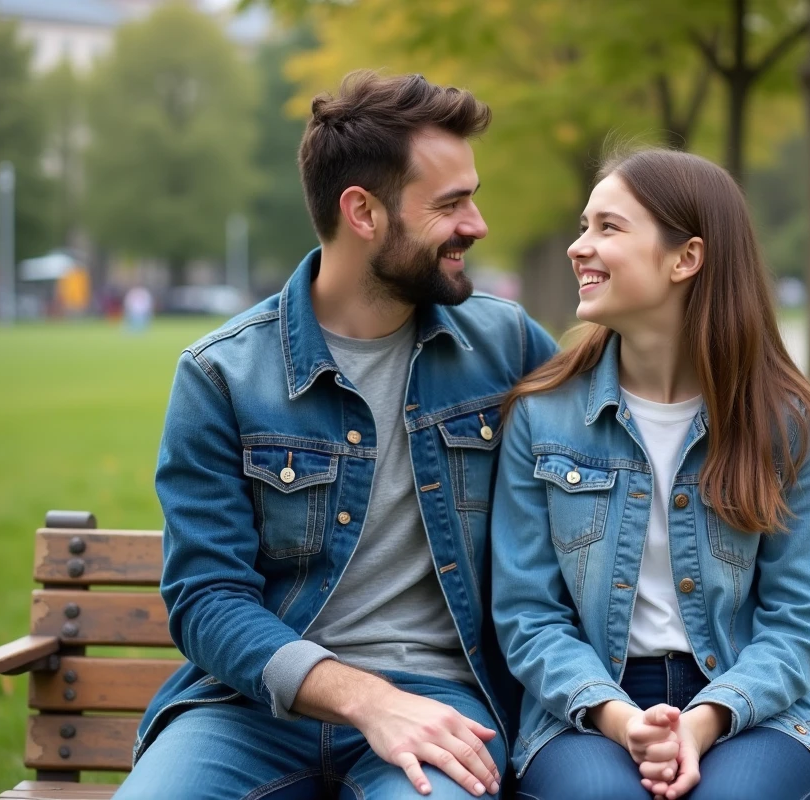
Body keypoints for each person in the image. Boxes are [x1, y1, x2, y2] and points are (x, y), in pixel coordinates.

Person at [117, 71, 557, 800]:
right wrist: (365, 700)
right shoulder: (223, 374)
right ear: (363, 212)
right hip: (250, 709)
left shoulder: (506, 346)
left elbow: (621, 441)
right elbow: (207, 598)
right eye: (450, 204)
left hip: (440, 703)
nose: (477, 225)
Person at [492, 149, 810, 800]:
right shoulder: (541, 416)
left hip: (755, 708)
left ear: (685, 258)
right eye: (583, 225)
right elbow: (529, 615)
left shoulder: (784, 423)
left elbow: (798, 624)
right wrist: (622, 719)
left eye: (608, 227)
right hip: (589, 707)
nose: (578, 246)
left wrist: (705, 721)